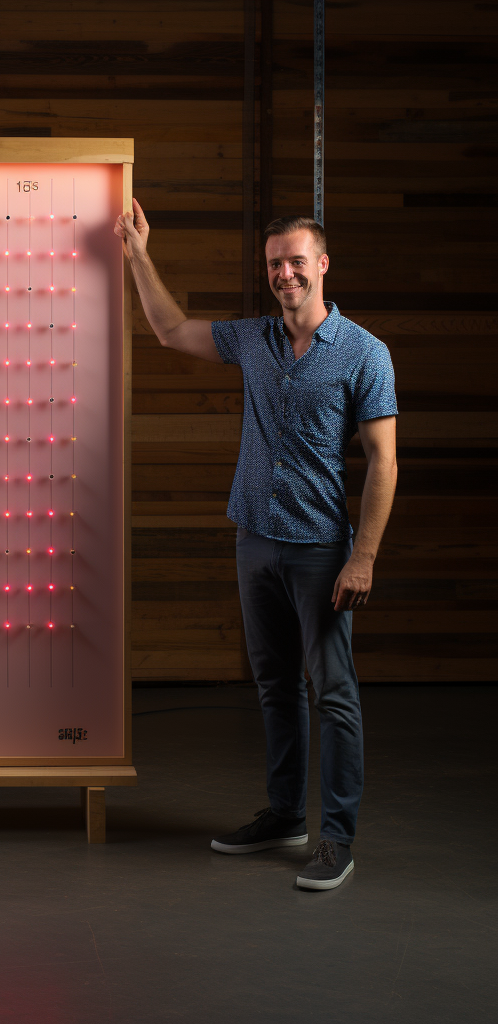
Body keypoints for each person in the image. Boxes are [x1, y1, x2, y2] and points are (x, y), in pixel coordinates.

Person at [115, 203, 398, 890]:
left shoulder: (364, 353)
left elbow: (384, 463)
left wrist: (363, 557)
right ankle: (282, 816)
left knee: (332, 693)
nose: (285, 272)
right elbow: (170, 329)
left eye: (297, 260)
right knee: (275, 687)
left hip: (321, 551)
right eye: (275, 262)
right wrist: (136, 253)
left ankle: (336, 838)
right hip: (255, 543)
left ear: (322, 264)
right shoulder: (255, 341)